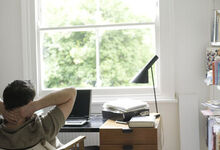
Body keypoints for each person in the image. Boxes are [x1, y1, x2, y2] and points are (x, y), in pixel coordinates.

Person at [0, 80, 76, 149]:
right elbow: (72, 92)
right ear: (30, 103)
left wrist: (2, 107)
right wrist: (35, 106)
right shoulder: (43, 127)